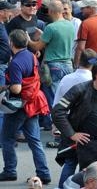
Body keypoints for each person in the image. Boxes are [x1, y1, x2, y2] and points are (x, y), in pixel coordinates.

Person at [0, 29, 51, 183]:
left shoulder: (15, 63)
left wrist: (5, 87)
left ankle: (10, 170)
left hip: (20, 105)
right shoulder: (31, 55)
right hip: (32, 102)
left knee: (7, 139)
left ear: (11, 43)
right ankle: (44, 173)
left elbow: (17, 88)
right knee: (35, 141)